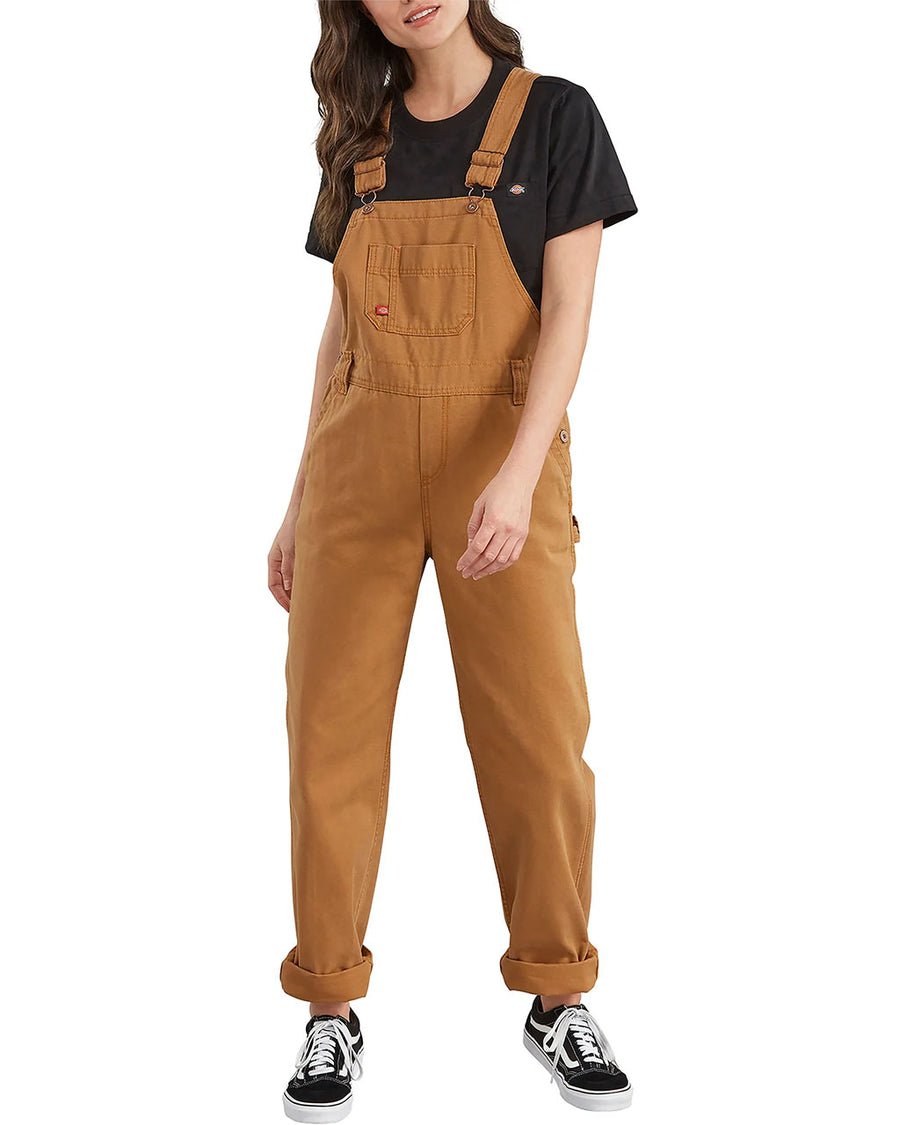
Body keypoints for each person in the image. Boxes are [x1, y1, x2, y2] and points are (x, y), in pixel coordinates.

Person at [267, 2, 637, 1118]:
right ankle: (328, 1007)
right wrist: (298, 499)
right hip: (358, 468)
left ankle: (558, 995)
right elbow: (340, 331)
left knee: (539, 738)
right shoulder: (358, 138)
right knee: (327, 739)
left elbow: (569, 311)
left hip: (502, 456)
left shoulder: (556, 117)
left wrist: (519, 476)